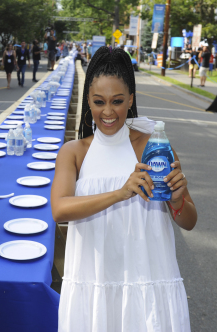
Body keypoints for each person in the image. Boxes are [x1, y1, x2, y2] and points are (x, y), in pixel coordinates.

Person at [51, 47, 196, 331]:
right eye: (98, 101)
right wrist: (121, 192)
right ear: (88, 101)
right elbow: (60, 209)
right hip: (93, 280)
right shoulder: (74, 152)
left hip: (147, 281)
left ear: (130, 99)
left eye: (117, 101)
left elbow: (188, 221)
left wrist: (177, 201)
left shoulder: (154, 148)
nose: (107, 111)